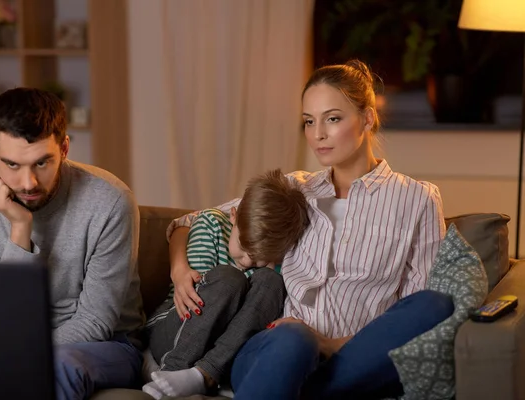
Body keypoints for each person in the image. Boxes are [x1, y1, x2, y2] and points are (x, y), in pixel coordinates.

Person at [166, 60, 454, 399]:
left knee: (434, 305)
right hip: (277, 348)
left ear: (367, 118)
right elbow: (184, 222)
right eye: (308, 121)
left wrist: (328, 344)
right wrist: (179, 270)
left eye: (332, 118)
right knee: (294, 340)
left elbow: (411, 307)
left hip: (356, 355)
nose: (318, 134)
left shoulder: (418, 199)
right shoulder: (293, 188)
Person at [0, 88, 144, 400]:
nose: (28, 183)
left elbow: (96, 322)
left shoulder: (109, 200)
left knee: (57, 366)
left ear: (64, 148)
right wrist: (20, 226)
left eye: (42, 163)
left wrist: (14, 356)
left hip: (107, 345)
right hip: (11, 344)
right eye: (12, 164)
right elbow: (0, 315)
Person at [142, 169, 310, 399]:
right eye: (243, 247)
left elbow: (254, 316)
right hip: (177, 324)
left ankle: (206, 375)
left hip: (222, 349)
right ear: (233, 216)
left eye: (260, 257)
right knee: (229, 278)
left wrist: (269, 269)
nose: (249, 261)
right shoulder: (211, 224)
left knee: (271, 281)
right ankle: (171, 370)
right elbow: (199, 298)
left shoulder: (275, 260)